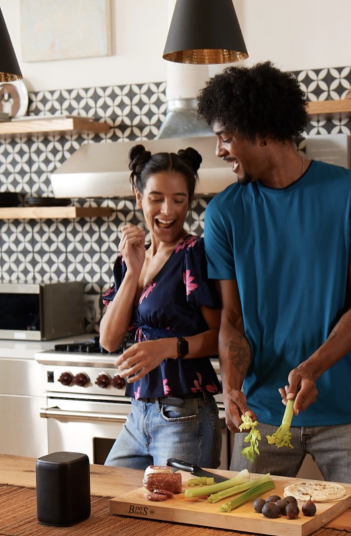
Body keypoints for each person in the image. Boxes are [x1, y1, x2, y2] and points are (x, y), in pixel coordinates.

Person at [197, 61, 351, 497]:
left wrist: (311, 368)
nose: (219, 151)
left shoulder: (350, 193)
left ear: (262, 130)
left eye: (225, 137)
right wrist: (231, 385)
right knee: (243, 528)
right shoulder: (224, 212)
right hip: (262, 413)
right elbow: (232, 317)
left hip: (347, 408)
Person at [100, 144, 223, 470]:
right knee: (106, 497)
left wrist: (168, 348)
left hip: (185, 415)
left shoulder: (195, 254)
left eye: (179, 200)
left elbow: (224, 335)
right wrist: (133, 271)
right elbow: (109, 340)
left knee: (179, 518)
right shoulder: (130, 258)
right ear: (139, 198)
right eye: (156, 198)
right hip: (138, 414)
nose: (168, 210)